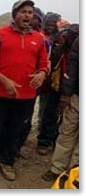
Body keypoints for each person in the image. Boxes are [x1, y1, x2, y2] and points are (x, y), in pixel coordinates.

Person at [0, 0, 48, 181]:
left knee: (16, 129)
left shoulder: (39, 39)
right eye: (23, 11)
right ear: (15, 14)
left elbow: (44, 64)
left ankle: (7, 161)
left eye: (30, 12)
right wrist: (4, 80)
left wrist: (42, 73)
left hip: (27, 94)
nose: (28, 15)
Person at [42, 35, 79, 182]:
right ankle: (57, 168)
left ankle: (74, 173)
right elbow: (73, 66)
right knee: (67, 132)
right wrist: (66, 94)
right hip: (77, 96)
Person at [37, 25, 78, 155]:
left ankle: (55, 142)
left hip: (70, 89)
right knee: (50, 113)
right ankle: (44, 141)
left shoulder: (74, 54)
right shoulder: (58, 51)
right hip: (56, 87)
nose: (64, 38)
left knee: (64, 119)